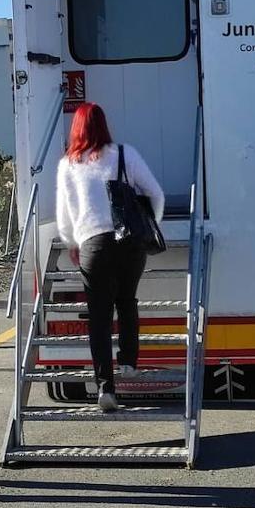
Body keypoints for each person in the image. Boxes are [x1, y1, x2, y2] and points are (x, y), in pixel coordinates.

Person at [55, 102, 165, 412]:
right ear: (104, 125)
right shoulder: (125, 154)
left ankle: (106, 388)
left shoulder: (68, 165)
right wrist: (147, 225)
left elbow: (65, 215)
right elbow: (155, 193)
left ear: (76, 128)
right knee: (127, 301)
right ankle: (129, 362)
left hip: (93, 245)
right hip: (129, 242)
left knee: (100, 318)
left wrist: (73, 243)